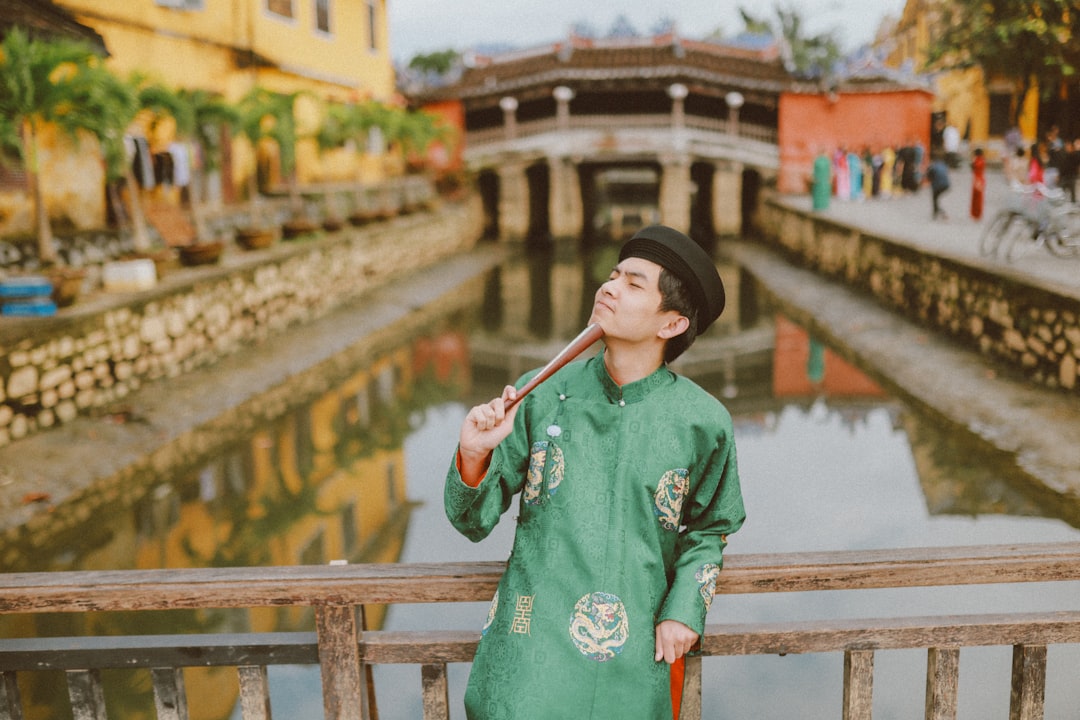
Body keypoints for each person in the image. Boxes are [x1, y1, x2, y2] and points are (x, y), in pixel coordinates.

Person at [445, 225, 746, 720]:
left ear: (671, 324)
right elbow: (472, 521)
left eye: (633, 284)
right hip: (529, 652)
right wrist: (474, 455)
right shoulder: (541, 392)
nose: (608, 287)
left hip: (631, 651)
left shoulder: (703, 421)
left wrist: (684, 610)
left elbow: (712, 527)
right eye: (612, 275)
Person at [927, 152, 951, 220]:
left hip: (938, 185)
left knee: (935, 199)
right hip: (946, 185)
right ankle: (939, 212)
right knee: (936, 199)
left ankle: (937, 213)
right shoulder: (943, 165)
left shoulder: (933, 166)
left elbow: (929, 177)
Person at [970, 147, 986, 220]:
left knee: (978, 198)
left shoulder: (979, 160)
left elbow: (974, 167)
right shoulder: (980, 160)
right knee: (976, 198)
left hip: (978, 180)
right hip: (978, 179)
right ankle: (975, 214)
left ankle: (977, 214)